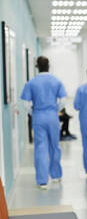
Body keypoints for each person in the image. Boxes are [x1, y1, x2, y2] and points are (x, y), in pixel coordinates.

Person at [21, 56, 67, 189]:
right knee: (54, 146)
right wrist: (54, 110)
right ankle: (56, 175)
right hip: (52, 117)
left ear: (37, 67)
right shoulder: (56, 81)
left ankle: (42, 181)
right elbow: (63, 101)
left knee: (40, 148)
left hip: (39, 117)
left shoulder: (31, 83)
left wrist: (34, 113)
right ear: (49, 66)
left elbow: (25, 104)